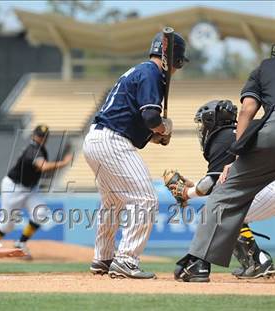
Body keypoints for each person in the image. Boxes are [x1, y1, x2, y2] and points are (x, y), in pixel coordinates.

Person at [83, 31, 189, 279]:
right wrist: (164, 127)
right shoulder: (152, 74)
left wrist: (155, 135)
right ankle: (126, 259)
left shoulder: (139, 71)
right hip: (111, 142)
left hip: (97, 140)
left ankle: (103, 258)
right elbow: (151, 118)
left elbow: (133, 121)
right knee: (145, 199)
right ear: (175, 60)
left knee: (113, 203)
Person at [174, 57, 275, 282]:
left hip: (267, 174)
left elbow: (248, 107)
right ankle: (255, 261)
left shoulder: (265, 67)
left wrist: (187, 194)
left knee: (223, 206)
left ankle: (200, 264)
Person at [0, 125, 72, 259]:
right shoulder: (32, 149)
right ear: (34, 135)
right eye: (40, 135)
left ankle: (20, 243)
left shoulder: (40, 149)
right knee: (7, 226)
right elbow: (43, 166)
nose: (42, 138)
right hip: (13, 187)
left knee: (41, 213)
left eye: (44, 136)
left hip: (30, 189)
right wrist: (63, 163)